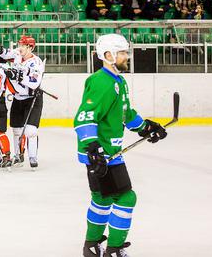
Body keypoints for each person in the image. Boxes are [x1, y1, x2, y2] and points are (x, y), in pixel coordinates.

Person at [76, 34, 167, 257]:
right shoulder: (102, 81)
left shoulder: (119, 81)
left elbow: (126, 113)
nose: (127, 56)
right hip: (103, 154)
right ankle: (114, 249)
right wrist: (92, 148)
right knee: (126, 198)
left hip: (107, 152)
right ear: (109, 56)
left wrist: (146, 127)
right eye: (123, 53)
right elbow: (84, 117)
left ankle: (92, 245)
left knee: (102, 197)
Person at [0, 36, 45, 169]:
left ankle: (33, 156)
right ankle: (18, 155)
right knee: (17, 130)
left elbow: (34, 83)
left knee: (30, 131)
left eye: (23, 45)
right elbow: (7, 54)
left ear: (30, 47)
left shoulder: (36, 62)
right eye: (19, 44)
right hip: (18, 98)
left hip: (32, 99)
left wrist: (18, 76)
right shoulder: (18, 54)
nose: (20, 47)